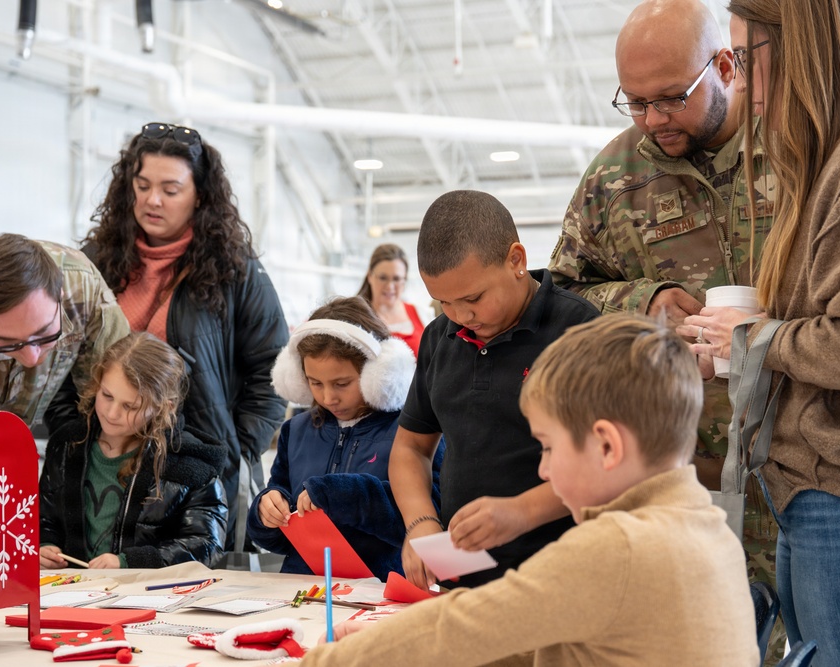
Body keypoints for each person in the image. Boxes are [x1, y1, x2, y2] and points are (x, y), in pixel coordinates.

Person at [299, 314, 758, 666]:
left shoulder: (619, 546)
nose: (542, 471)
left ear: (606, 445)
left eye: (548, 447)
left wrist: (333, 659)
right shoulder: (701, 524)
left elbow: (465, 627)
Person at [683, 1, 840, 664]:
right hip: (821, 503)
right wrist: (740, 347)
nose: (733, 81)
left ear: (801, 50)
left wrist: (754, 337)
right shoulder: (834, 160)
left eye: (743, 56)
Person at [545, 0, 781, 644]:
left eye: (671, 99)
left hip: (807, 468)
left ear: (726, 66)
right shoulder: (615, 178)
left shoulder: (792, 148)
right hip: (690, 477)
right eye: (636, 101)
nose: (653, 120)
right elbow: (561, 298)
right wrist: (641, 302)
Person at [74, 122, 290, 552]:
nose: (152, 200)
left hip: (197, 471)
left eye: (170, 190)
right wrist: (73, 437)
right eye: (142, 185)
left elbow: (275, 369)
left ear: (200, 196)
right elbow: (66, 361)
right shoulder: (94, 261)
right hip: (102, 463)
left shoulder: (236, 269)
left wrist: (233, 446)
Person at [391, 189, 600, 590]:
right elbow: (410, 448)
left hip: (563, 577)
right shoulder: (440, 336)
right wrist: (421, 524)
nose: (461, 316)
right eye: (443, 302)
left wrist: (521, 511)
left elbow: (611, 463)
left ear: (516, 260)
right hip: (463, 579)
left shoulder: (578, 329)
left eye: (473, 298)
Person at [247, 296, 440, 580]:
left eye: (342, 384)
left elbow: (428, 522)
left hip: (379, 591)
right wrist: (266, 513)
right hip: (303, 589)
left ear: (380, 374)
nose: (328, 397)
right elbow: (279, 536)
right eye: (315, 383)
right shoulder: (296, 431)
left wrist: (345, 495)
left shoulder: (414, 434)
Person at [39, 332, 228, 569]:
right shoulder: (66, 445)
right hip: (73, 592)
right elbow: (44, 518)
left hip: (150, 597)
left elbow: (206, 544)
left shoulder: (192, 466)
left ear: (163, 407)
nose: (112, 413)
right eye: (107, 395)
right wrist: (45, 544)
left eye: (131, 406)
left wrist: (130, 562)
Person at [0, 233, 129, 426]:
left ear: (60, 294)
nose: (31, 358)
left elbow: (123, 394)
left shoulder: (84, 289)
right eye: (6, 342)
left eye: (44, 334)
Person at [356, 243, 425, 356]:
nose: (390, 286)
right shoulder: (358, 318)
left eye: (396, 279)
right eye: (383, 278)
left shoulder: (421, 314)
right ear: (370, 276)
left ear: (404, 280)